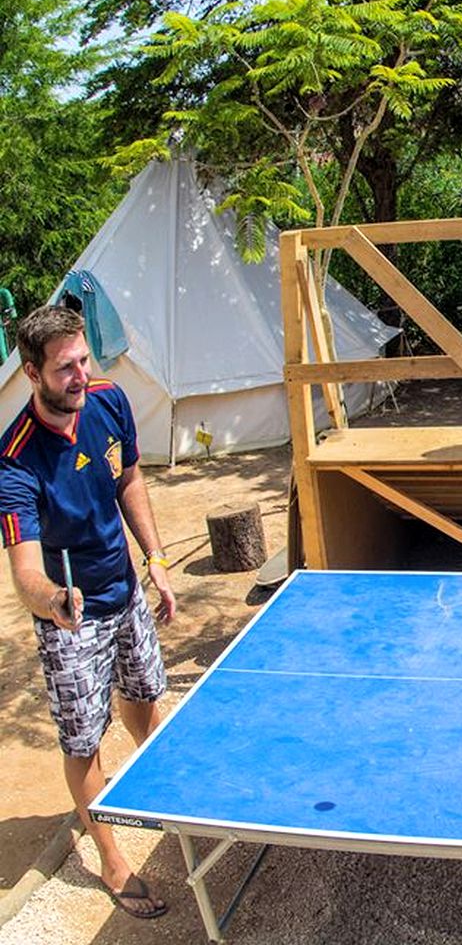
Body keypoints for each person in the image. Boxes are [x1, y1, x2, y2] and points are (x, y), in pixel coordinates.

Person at [0, 305, 176, 919]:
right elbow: (23, 569)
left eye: (83, 360)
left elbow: (128, 478)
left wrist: (154, 558)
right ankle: (110, 858)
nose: (80, 375)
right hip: (71, 618)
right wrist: (54, 601)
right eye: (65, 368)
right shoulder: (13, 460)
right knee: (82, 741)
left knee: (147, 697)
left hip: (126, 589)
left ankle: (153, 798)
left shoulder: (110, 400)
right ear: (31, 373)